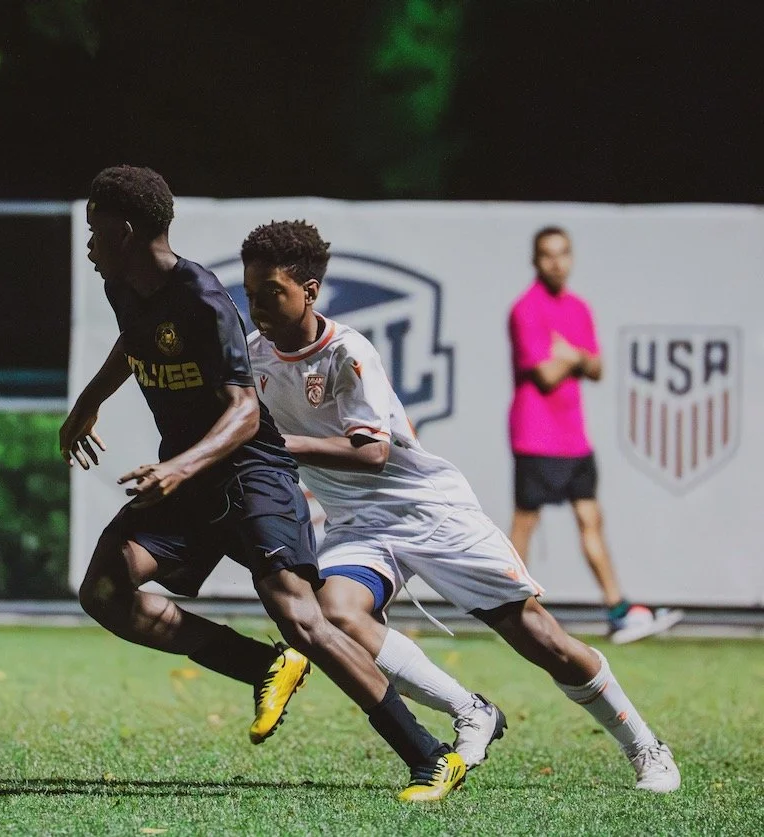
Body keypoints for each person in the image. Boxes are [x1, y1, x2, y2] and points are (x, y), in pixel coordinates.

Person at [62, 166, 464, 801]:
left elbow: (246, 412)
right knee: (106, 588)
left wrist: (177, 467)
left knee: (302, 619)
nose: (88, 244)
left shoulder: (200, 296)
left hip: (251, 472)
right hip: (190, 477)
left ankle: (430, 754)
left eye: (95, 231)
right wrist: (88, 404)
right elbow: (132, 343)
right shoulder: (124, 285)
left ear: (125, 231)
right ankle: (260, 666)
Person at [240, 219, 680, 793]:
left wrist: (276, 444)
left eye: (271, 292)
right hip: (357, 524)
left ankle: (646, 747)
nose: (257, 306)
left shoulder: (349, 353)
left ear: (311, 289)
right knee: (336, 615)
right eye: (250, 293)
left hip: (429, 511)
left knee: (541, 640)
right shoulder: (254, 357)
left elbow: (372, 452)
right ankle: (471, 709)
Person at [508, 227, 683, 643]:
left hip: (574, 439)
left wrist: (571, 355)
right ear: (536, 261)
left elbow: (599, 368)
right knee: (525, 524)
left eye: (563, 254)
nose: (557, 262)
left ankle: (617, 610)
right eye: (548, 255)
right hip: (535, 436)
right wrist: (576, 359)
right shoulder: (525, 309)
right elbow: (547, 375)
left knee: (591, 519)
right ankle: (511, 608)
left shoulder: (579, 308)